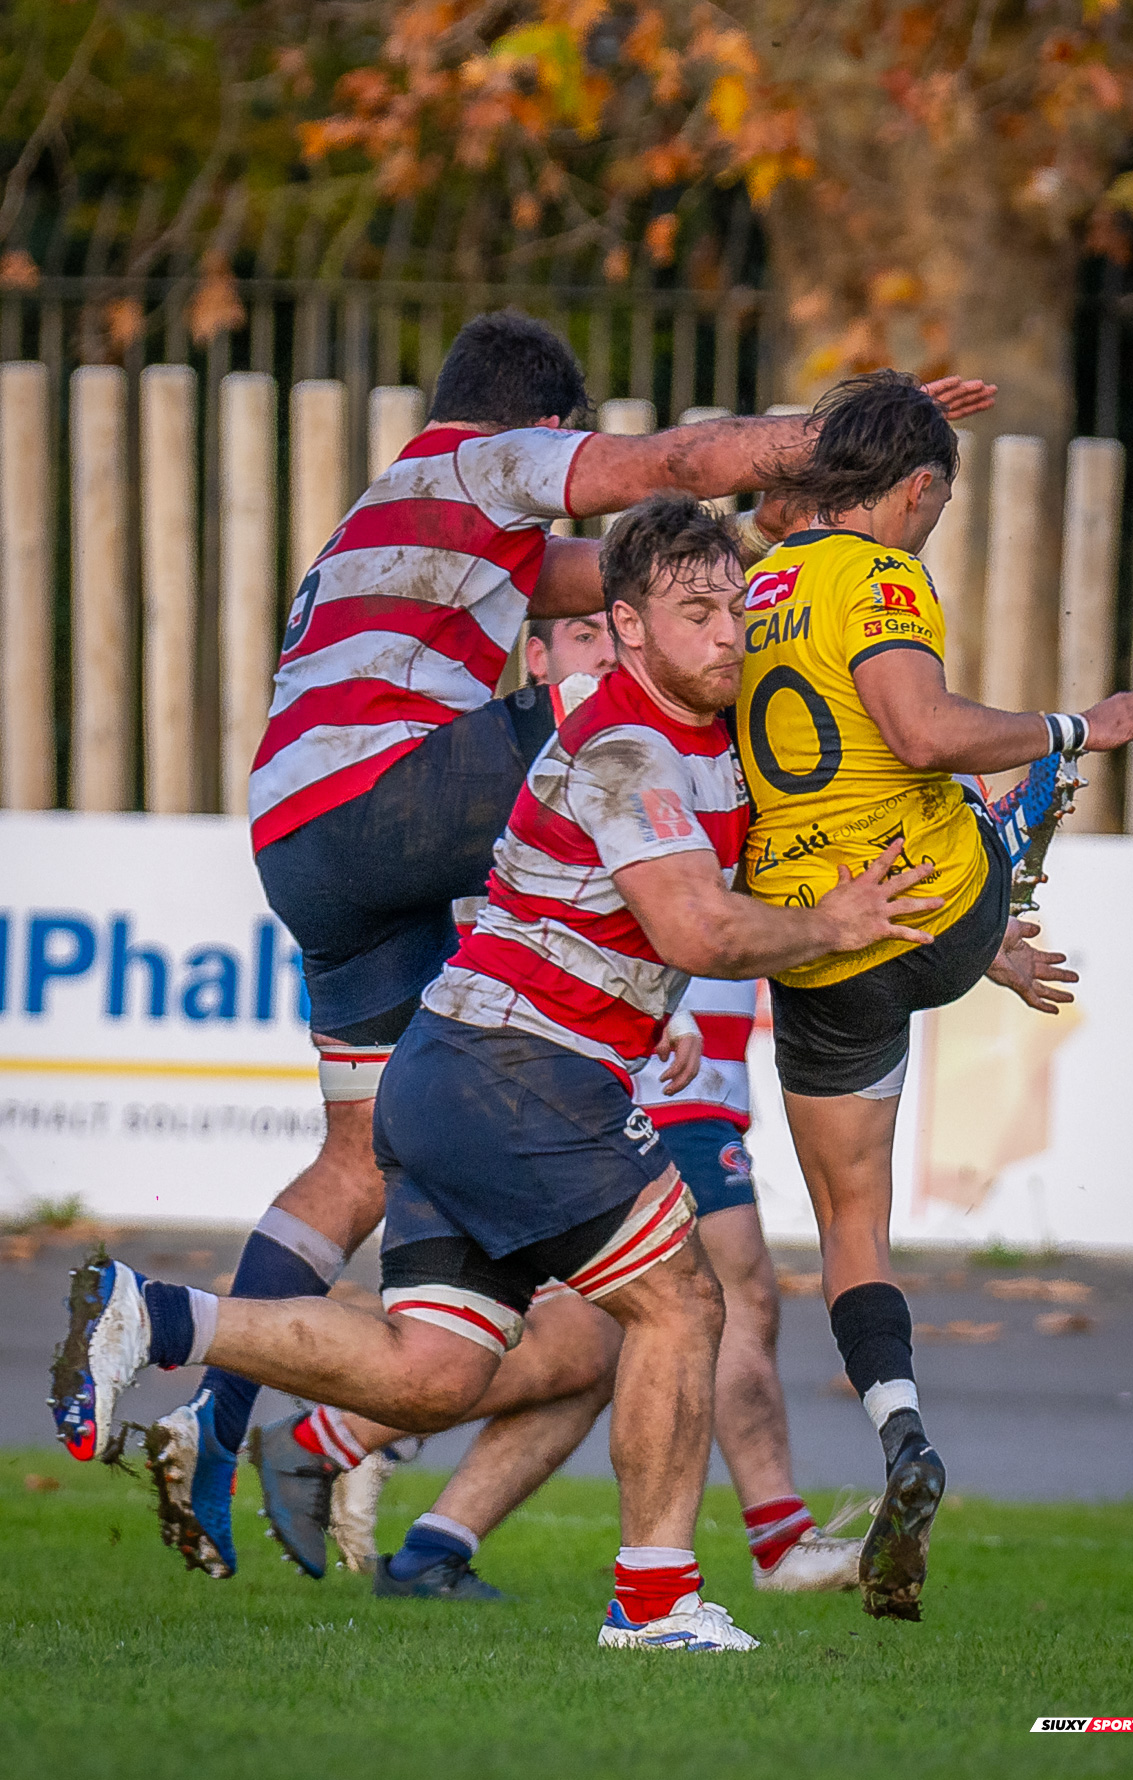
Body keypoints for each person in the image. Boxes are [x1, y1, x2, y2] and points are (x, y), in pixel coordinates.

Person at [137, 305, 997, 1581]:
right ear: (541, 427)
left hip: (304, 841)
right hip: (377, 795)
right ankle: (664, 1578)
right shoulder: (479, 464)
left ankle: (204, 1417)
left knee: (359, 1152)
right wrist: (837, 446)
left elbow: (668, 573)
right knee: (632, 713)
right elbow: (677, 473)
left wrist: (811, 509)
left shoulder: (413, 526)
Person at [52, 494, 941, 1651]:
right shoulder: (625, 746)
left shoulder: (716, 743)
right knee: (681, 1301)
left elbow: (778, 873)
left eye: (736, 607)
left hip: (451, 1072)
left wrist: (965, 935)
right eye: (694, 611)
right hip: (517, 1071)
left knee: (432, 1376)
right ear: (622, 626)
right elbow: (700, 934)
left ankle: (154, 1314)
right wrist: (829, 925)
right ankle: (657, 1604)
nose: (727, 632)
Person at [260, 609, 862, 1596]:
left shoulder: (703, 730)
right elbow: (512, 928)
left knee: (603, 1339)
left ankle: (420, 1534)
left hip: (645, 1045)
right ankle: (749, 1551)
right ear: (539, 659)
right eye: (581, 635)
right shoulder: (556, 754)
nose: (604, 654)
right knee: (690, 1300)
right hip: (538, 1070)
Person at [735, 368, 1133, 1621]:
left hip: (819, 939)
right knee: (1000, 784)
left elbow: (769, 501)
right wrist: (1073, 726)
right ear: (918, 490)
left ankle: (898, 1429)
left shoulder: (757, 580)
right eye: (931, 504)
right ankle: (906, 1455)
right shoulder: (881, 575)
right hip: (931, 904)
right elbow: (921, 730)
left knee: (848, 1227)